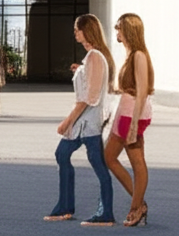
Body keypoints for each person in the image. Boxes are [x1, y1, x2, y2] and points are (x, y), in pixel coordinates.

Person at [45, 14, 116, 226]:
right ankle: (65, 207)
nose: (74, 32)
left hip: (88, 121)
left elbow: (90, 97)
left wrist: (67, 121)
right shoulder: (93, 57)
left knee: (97, 164)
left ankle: (105, 213)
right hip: (84, 122)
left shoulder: (95, 56)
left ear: (87, 31)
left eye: (77, 29)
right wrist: (81, 70)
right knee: (62, 153)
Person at [104, 13, 154, 227]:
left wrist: (134, 125)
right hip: (124, 111)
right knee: (109, 157)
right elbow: (130, 87)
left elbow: (142, 91)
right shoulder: (130, 54)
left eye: (119, 28)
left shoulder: (139, 55)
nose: (117, 32)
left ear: (129, 30)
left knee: (137, 162)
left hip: (133, 114)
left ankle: (136, 208)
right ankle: (139, 203)